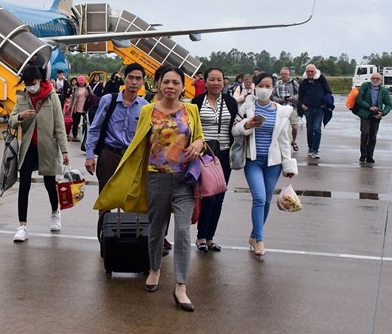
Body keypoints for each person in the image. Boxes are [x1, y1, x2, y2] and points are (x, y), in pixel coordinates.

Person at [97, 65, 204, 310]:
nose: (170, 86)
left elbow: (199, 137)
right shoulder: (147, 110)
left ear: (182, 86)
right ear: (158, 84)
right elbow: (138, 143)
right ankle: (155, 269)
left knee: (183, 232)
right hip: (156, 177)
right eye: (166, 82)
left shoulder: (191, 110)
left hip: (185, 180)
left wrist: (199, 143)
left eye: (176, 82)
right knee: (156, 229)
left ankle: (181, 286)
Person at [233, 72, 298, 257]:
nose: (264, 89)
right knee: (259, 199)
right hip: (253, 161)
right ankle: (260, 240)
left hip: (273, 163)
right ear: (255, 86)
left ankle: (254, 236)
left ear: (273, 88)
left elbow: (284, 140)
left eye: (268, 86)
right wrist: (246, 125)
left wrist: (288, 165)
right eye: (261, 85)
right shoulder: (247, 107)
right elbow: (235, 129)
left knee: (267, 201)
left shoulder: (281, 111)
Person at [84, 63, 148, 246]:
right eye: (131, 78)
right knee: (106, 200)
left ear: (143, 82)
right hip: (109, 155)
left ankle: (129, 242)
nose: (134, 82)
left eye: (138, 79)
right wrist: (90, 155)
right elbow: (95, 128)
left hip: (132, 158)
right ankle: (104, 241)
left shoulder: (145, 106)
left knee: (132, 199)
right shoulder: (108, 100)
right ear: (124, 79)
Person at [8, 65, 70, 242]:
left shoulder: (52, 97)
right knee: (24, 185)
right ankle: (22, 226)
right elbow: (11, 121)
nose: (30, 87)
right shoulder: (22, 97)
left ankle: (55, 211)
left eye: (33, 83)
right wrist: (20, 116)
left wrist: (64, 150)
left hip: (47, 146)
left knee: (49, 184)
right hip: (28, 147)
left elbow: (59, 125)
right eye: (27, 83)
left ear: (40, 80)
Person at [191, 67, 238, 252]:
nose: (216, 83)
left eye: (219, 79)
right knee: (208, 196)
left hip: (224, 155)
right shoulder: (196, 102)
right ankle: (201, 237)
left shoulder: (230, 102)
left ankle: (210, 238)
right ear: (205, 82)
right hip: (204, 156)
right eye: (212, 79)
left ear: (224, 81)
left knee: (219, 197)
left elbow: (236, 125)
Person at [355, 72, 392, 164]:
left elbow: (389, 104)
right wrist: (369, 107)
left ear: (381, 80)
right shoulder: (365, 86)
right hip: (365, 114)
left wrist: (382, 113)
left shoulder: (384, 91)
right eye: (373, 78)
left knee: (373, 136)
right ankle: (363, 155)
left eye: (377, 78)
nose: (375, 80)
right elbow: (359, 99)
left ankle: (370, 156)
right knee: (365, 133)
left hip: (376, 115)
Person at [298, 64, 332, 159]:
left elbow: (328, 92)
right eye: (308, 71)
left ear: (315, 71)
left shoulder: (321, 80)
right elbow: (300, 97)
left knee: (317, 128)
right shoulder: (303, 83)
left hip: (319, 108)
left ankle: (315, 150)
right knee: (309, 129)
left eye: (311, 71)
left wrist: (324, 104)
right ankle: (310, 147)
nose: (310, 73)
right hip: (308, 109)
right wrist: (302, 105)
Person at [273, 67, 300, 151]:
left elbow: (300, 93)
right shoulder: (277, 84)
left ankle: (294, 141)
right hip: (281, 107)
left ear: (289, 74)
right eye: (282, 74)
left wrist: (293, 98)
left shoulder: (294, 83)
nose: (284, 75)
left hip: (292, 107)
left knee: (294, 126)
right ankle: (281, 143)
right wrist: (279, 100)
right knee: (281, 127)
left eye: (285, 74)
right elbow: (273, 96)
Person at [69, 75, 90, 141]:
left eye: (82, 83)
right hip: (76, 107)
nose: (81, 84)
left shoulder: (88, 88)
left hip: (85, 107)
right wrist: (70, 106)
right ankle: (74, 135)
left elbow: (92, 96)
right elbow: (72, 98)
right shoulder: (75, 88)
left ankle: (86, 136)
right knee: (75, 122)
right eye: (80, 83)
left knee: (86, 122)